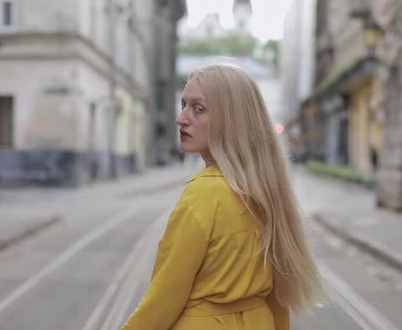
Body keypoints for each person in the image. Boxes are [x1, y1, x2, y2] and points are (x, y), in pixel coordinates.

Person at [122, 64, 324, 329]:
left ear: (232, 119)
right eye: (184, 105)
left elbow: (165, 296)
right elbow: (278, 297)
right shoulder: (265, 190)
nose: (181, 118)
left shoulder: (204, 193)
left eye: (199, 109)